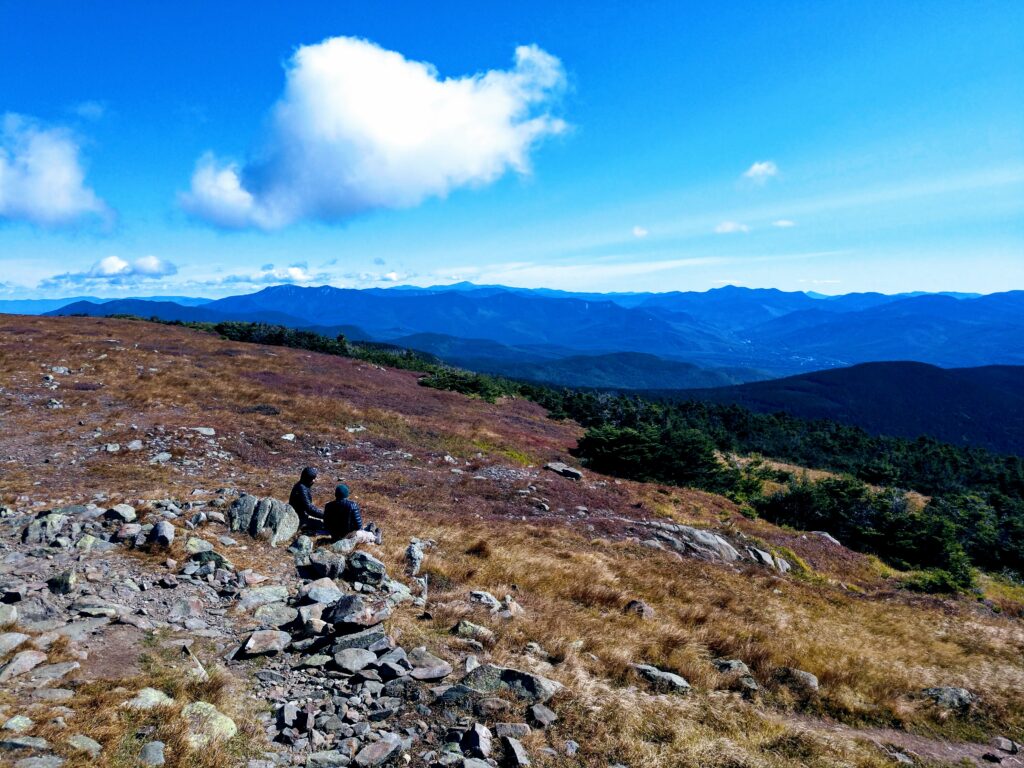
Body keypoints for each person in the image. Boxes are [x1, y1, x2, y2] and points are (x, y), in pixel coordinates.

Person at [289, 466, 325, 533]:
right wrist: (325, 516)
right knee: (323, 526)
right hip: (299, 519)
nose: (314, 481)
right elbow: (309, 509)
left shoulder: (302, 485)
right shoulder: (302, 489)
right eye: (313, 479)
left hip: (300, 515)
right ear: (307, 479)